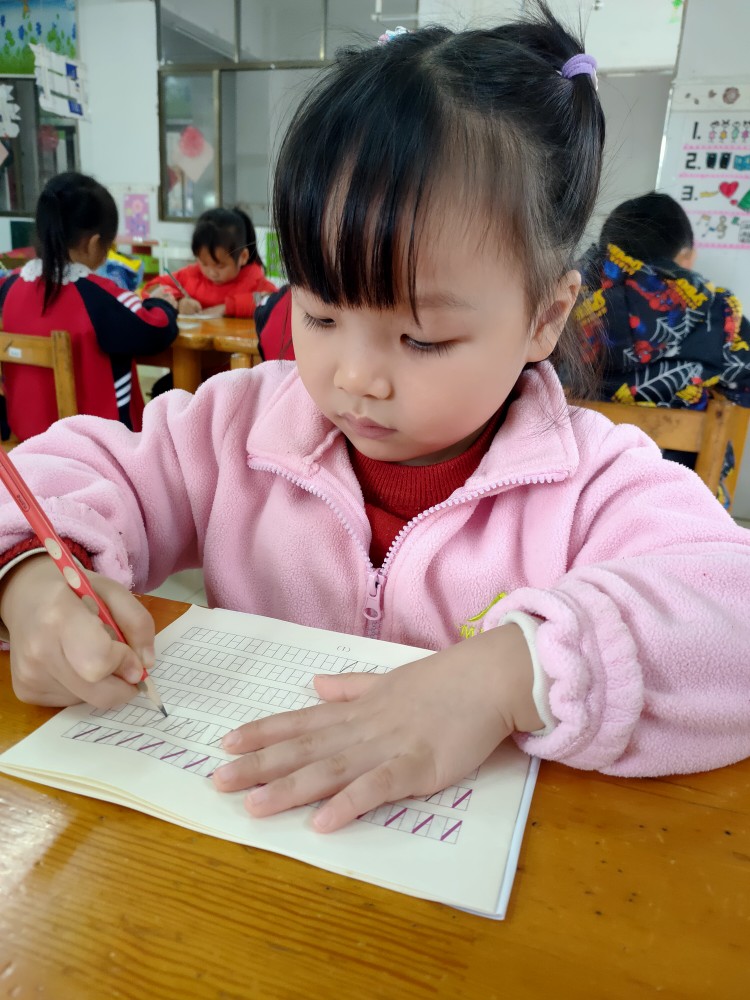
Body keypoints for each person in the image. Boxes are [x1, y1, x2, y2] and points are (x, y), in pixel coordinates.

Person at [1, 4, 749, 837]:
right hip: (238, 851)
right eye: (320, 314)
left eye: (422, 338)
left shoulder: (589, 484)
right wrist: (29, 581)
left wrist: (509, 677)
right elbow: (51, 477)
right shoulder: (236, 428)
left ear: (544, 317)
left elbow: (732, 609)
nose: (354, 377)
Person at [576, 192, 750, 503]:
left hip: (573, 487)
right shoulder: (719, 314)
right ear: (685, 256)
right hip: (677, 498)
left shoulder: (564, 299)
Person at [0, 172, 178, 441]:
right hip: (98, 444)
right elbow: (156, 330)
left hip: (27, 441)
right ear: (94, 243)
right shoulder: (98, 295)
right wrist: (162, 304)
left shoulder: (9, 287)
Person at [142, 207, 278, 317]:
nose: (212, 273)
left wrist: (228, 308)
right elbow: (151, 288)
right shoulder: (192, 275)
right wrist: (178, 300)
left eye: (220, 265)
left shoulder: (254, 281)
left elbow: (273, 301)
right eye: (204, 263)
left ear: (243, 257)